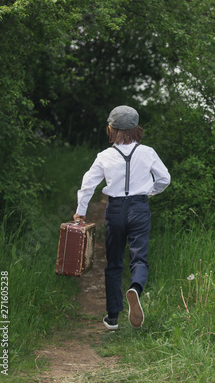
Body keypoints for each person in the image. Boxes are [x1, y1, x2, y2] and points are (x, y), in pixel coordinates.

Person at [73, 105, 171, 330]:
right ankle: (135, 289)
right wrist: (149, 191)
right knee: (139, 258)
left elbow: (88, 185)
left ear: (111, 128)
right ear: (137, 129)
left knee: (114, 262)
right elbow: (164, 178)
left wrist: (81, 211)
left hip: (115, 210)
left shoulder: (104, 156)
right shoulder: (148, 153)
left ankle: (113, 317)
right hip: (139, 207)